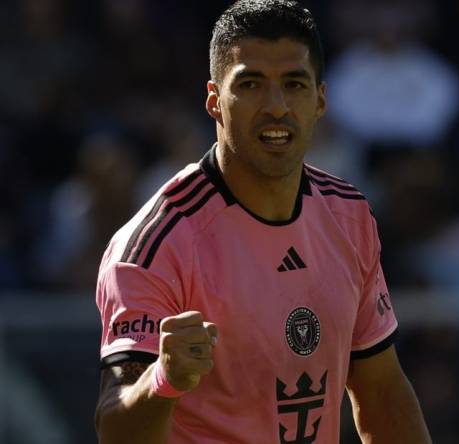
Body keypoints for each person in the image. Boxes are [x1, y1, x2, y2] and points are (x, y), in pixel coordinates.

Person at [93, 1, 433, 443]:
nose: (276, 107)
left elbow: (382, 392)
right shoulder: (155, 244)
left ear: (320, 100)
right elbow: (114, 430)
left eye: (294, 84)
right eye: (250, 84)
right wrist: (165, 378)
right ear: (215, 101)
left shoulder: (348, 216)